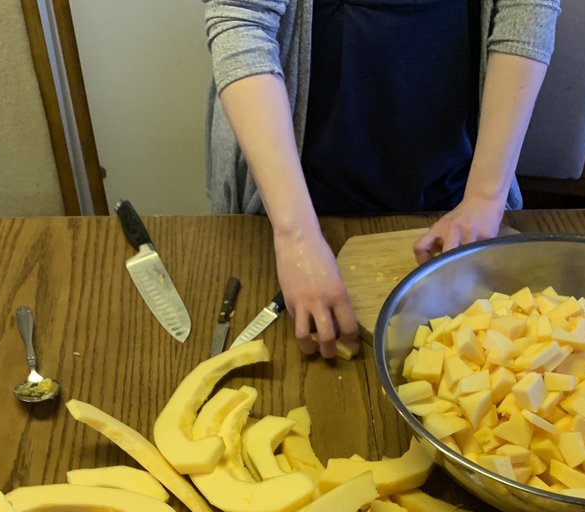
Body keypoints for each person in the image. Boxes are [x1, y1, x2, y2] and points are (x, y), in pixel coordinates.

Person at [204, 0, 560, 358]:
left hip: (458, 174)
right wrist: (296, 235)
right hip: (294, 191)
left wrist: (485, 196)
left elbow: (527, 8)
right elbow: (242, 19)